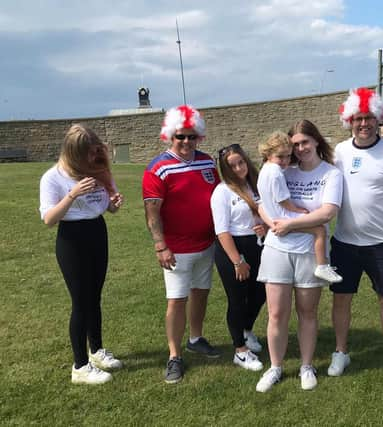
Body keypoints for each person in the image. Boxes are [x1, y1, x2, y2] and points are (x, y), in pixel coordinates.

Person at [255, 120, 343, 392]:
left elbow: (328, 212)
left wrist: (290, 224)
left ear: (316, 141)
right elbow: (261, 204)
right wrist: (272, 223)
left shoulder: (331, 173)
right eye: (295, 145)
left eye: (305, 142)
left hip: (308, 251)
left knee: (307, 312)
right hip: (277, 248)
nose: (300, 148)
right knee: (276, 313)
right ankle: (276, 367)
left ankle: (306, 366)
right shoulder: (281, 170)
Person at [329, 87, 383, 383]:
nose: (364, 124)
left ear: (379, 120)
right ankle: (341, 351)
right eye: (358, 118)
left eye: (370, 118)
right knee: (341, 299)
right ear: (349, 120)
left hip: (382, 244)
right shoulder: (339, 152)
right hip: (344, 243)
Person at [142, 105, 221, 384]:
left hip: (206, 243)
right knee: (176, 300)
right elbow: (152, 211)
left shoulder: (208, 161)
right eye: (180, 137)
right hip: (176, 249)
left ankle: (195, 338)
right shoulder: (158, 168)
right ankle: (174, 355)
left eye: (191, 136)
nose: (186, 142)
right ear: (169, 136)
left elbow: (219, 198)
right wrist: (160, 246)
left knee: (201, 292)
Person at [39, 124, 124, 385]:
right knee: (81, 302)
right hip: (72, 239)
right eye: (87, 154)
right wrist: (72, 195)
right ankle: (80, 366)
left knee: (94, 297)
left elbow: (104, 206)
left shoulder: (96, 169)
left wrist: (112, 204)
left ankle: (96, 351)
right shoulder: (52, 177)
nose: (91, 159)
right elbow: (49, 219)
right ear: (73, 152)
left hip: (97, 232)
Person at [257, 131, 342, 284]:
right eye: (281, 156)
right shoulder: (278, 172)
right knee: (320, 230)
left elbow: (328, 212)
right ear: (269, 153)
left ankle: (322, 266)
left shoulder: (265, 169)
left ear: (316, 141)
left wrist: (275, 223)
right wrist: (297, 210)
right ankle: (322, 266)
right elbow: (282, 199)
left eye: (288, 156)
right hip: (282, 219)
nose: (285, 160)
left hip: (277, 219)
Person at [211, 143, 267, 371]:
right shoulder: (222, 191)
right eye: (231, 166)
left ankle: (246, 331)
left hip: (258, 245)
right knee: (238, 299)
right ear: (225, 169)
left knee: (260, 293)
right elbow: (222, 231)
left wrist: (264, 226)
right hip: (233, 249)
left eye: (240, 162)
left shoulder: (256, 185)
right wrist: (238, 260)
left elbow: (265, 215)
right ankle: (240, 351)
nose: (238, 168)